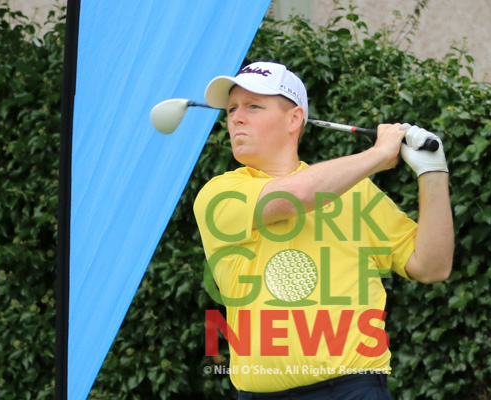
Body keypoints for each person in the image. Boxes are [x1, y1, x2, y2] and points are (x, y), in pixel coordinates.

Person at [194, 61, 453, 400]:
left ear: (294, 119)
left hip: (354, 390)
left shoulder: (357, 191)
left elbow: (432, 266)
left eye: (253, 106)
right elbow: (295, 196)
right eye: (231, 109)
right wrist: (377, 154)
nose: (236, 118)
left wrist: (433, 172)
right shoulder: (219, 194)